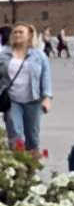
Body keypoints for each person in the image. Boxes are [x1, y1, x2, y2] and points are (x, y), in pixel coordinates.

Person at [4, 25, 52, 153]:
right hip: (11, 100)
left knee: (32, 138)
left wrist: (47, 97)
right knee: (16, 135)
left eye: (21, 32)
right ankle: (18, 169)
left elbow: (46, 76)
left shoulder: (39, 55)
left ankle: (31, 169)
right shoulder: (3, 53)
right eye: (15, 32)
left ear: (29, 35)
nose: (17, 34)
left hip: (34, 100)